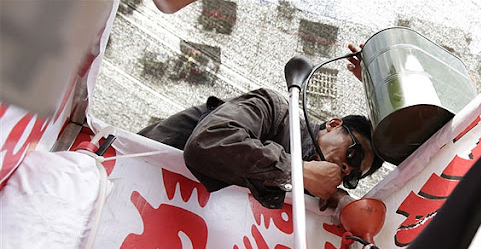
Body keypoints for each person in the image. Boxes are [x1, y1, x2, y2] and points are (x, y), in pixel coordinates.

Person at [139, 88, 383, 210]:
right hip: (132, 183)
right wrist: (297, 172)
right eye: (354, 153)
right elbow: (208, 141)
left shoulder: (312, 194)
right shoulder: (275, 110)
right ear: (333, 124)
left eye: (352, 177)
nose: (345, 167)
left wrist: (338, 203)